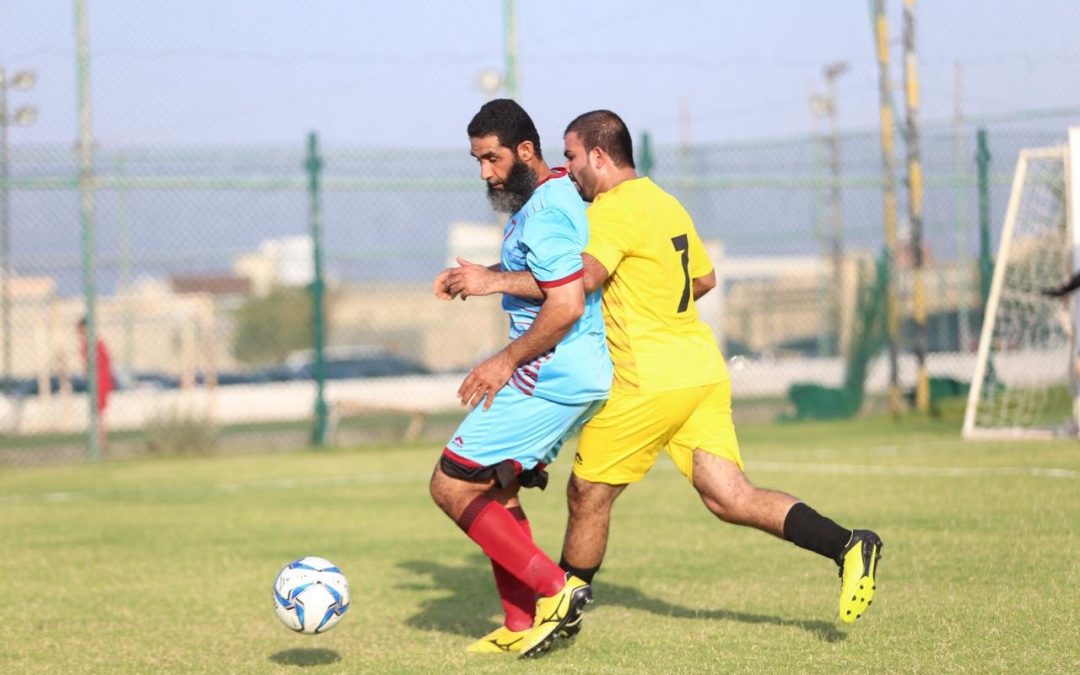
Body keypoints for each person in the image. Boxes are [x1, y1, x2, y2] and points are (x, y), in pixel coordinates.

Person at [442, 110, 883, 645]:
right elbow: (703, 278)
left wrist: (492, 280)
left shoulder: (613, 210)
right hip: (699, 369)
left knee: (587, 494)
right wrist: (650, 299)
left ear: (599, 156)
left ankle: (560, 610)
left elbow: (574, 285)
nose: (569, 167)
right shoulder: (664, 201)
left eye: (573, 156)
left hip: (647, 379)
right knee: (730, 497)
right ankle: (847, 544)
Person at [429, 99, 612, 658]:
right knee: (495, 486)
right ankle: (518, 622)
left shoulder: (547, 211)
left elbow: (567, 301)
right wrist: (484, 277)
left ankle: (556, 590)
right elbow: (551, 278)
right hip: (567, 370)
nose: (485, 172)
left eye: (493, 158)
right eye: (478, 161)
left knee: (451, 485)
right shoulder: (548, 196)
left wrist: (503, 360)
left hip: (550, 372)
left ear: (525, 150)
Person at [77, 316, 114, 450]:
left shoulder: (93, 343)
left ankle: (101, 443)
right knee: (97, 413)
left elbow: (101, 362)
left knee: (98, 413)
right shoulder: (90, 343)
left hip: (100, 380)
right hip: (97, 379)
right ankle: (100, 442)